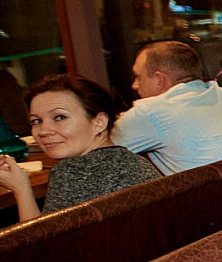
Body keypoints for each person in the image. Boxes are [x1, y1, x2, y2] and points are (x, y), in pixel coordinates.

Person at [0, 74, 159, 222]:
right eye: (37, 121)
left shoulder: (71, 171)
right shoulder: (135, 162)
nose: (43, 131)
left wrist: (21, 189)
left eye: (60, 117)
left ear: (99, 122)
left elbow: (41, 241)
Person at [112, 41, 222, 175]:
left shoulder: (150, 112)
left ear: (159, 79)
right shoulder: (221, 94)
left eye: (138, 77)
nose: (134, 85)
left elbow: (101, 154)